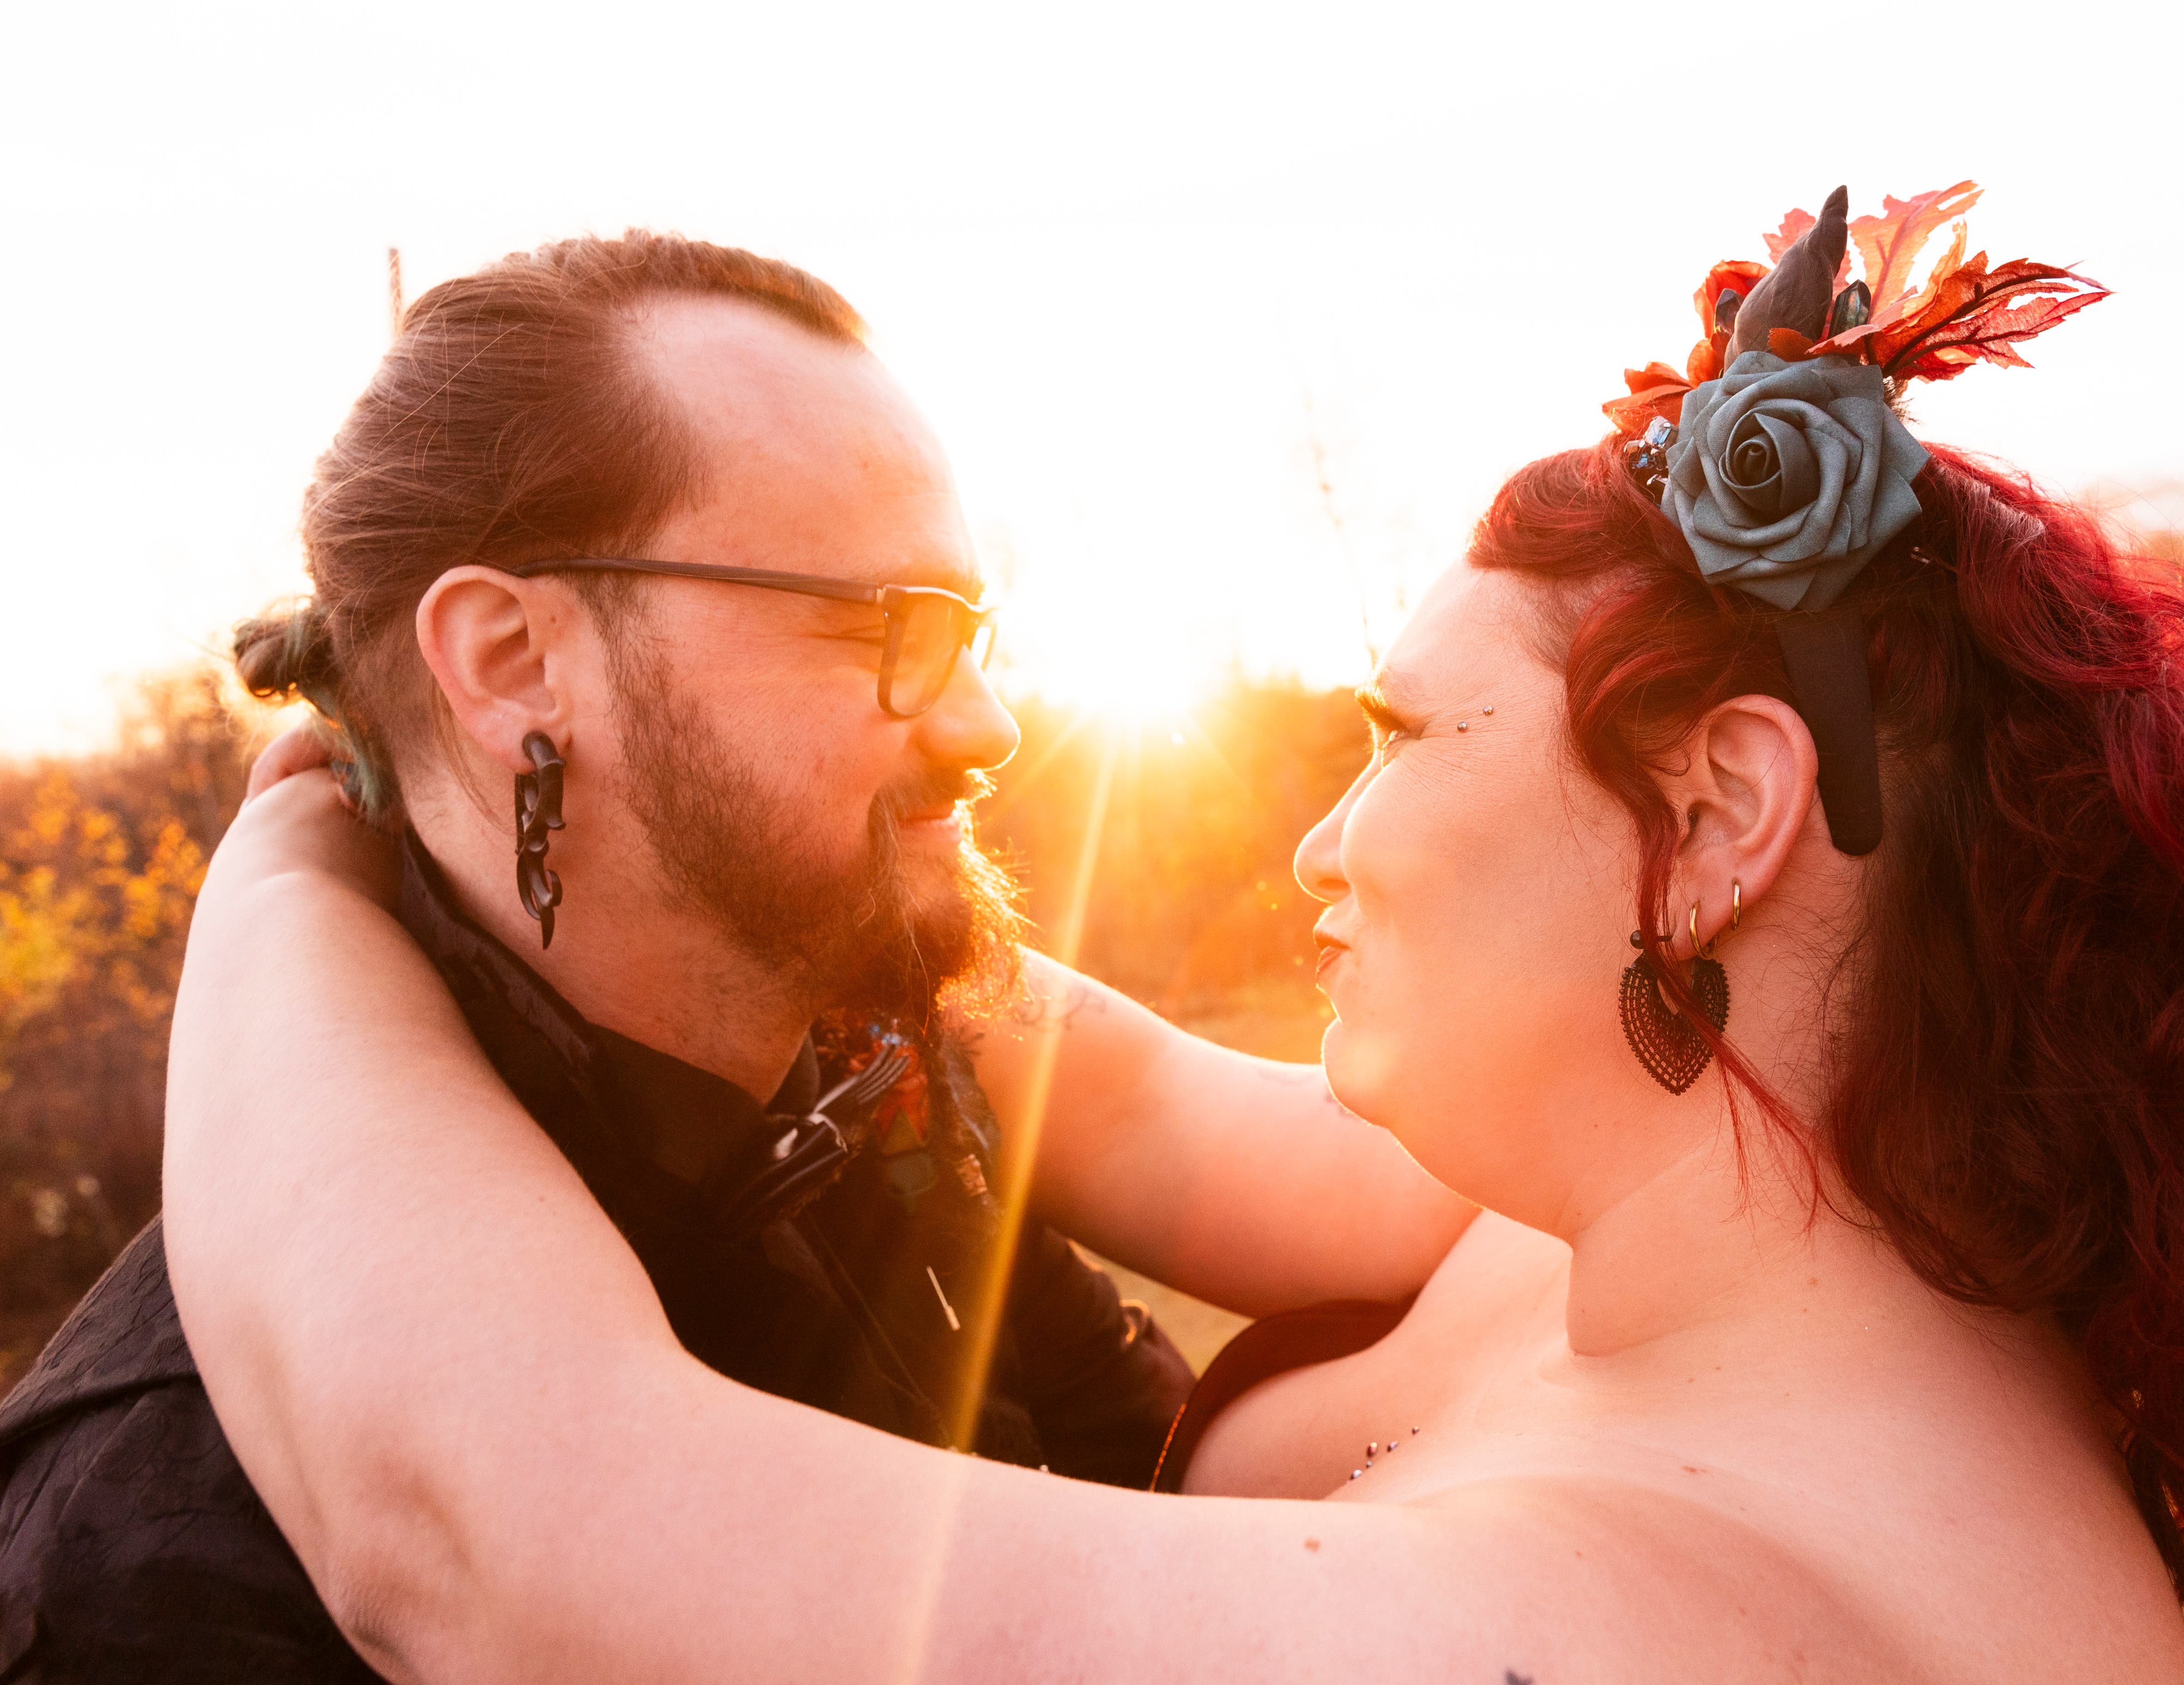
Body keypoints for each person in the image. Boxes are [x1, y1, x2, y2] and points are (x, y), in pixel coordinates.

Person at [162, 187, 2184, 1683]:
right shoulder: (1684, 1215)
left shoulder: (1695, 1630)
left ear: (1714, 824)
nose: (1325, 845)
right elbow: (1133, 1094)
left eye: (1404, 735)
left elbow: (476, 1531)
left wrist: (291, 842)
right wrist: (561, 759)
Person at [0, 231, 1470, 1681]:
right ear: (513, 662)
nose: (987, 728)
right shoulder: (158, 1554)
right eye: (890, 625)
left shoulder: (876, 1066)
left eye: (971, 629)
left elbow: (1130, 1447)